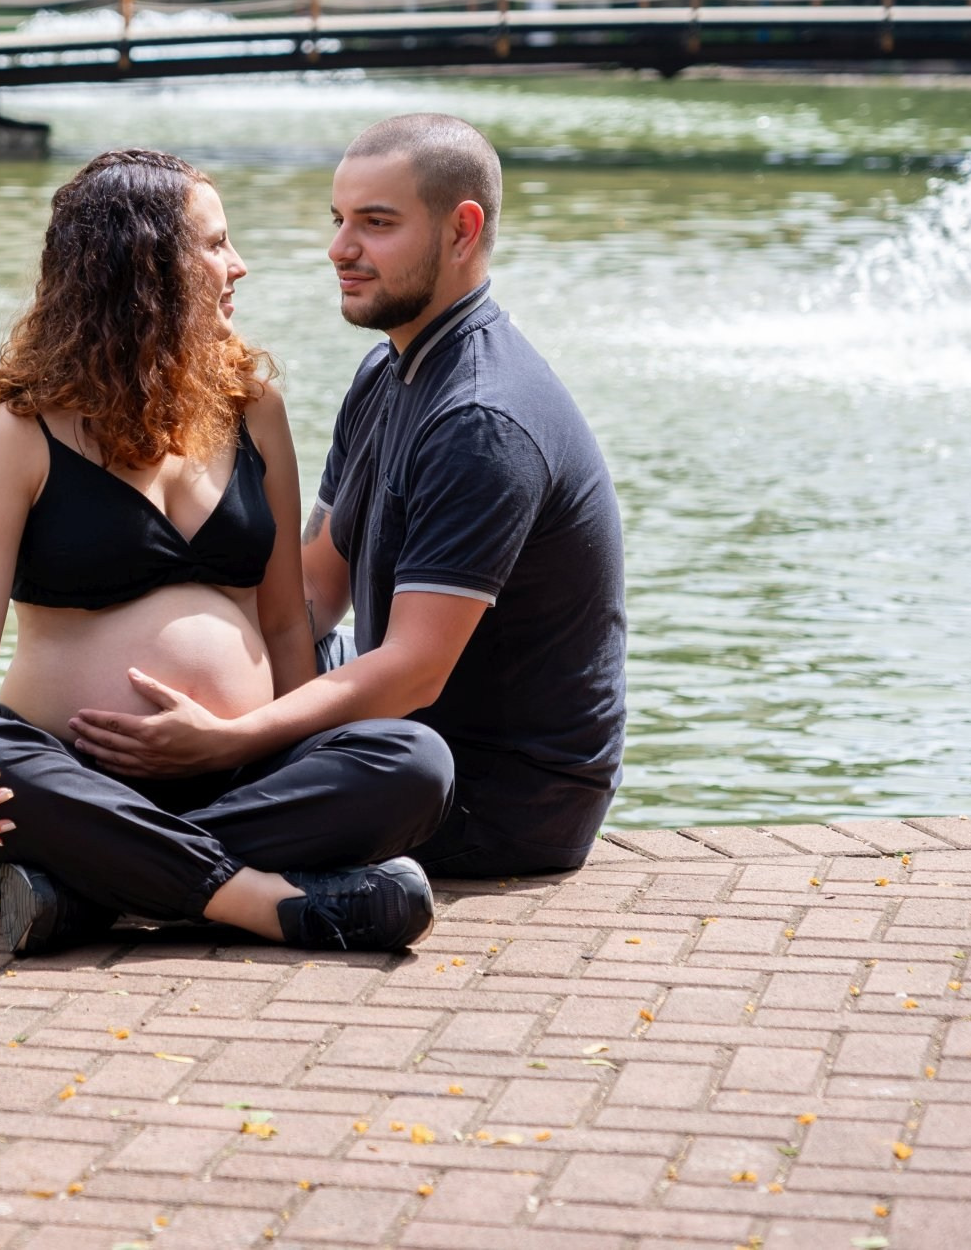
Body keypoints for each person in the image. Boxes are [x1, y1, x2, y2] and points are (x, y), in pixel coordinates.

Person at [0, 148, 454, 956]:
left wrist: (280, 752)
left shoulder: (253, 408)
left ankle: (91, 888)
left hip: (239, 777)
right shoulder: (18, 432)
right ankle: (257, 898)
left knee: (416, 760)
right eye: (215, 244)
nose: (239, 265)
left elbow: (287, 621)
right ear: (143, 265)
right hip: (71, 783)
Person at [69, 113, 627, 879]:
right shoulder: (386, 371)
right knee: (220, 658)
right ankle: (123, 828)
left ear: (462, 230)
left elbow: (413, 671)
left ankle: (94, 861)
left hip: (494, 795)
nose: (340, 249)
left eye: (376, 223)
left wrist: (237, 736)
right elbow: (319, 585)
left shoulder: (481, 419)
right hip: (406, 720)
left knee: (391, 758)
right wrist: (192, 669)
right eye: (339, 220)